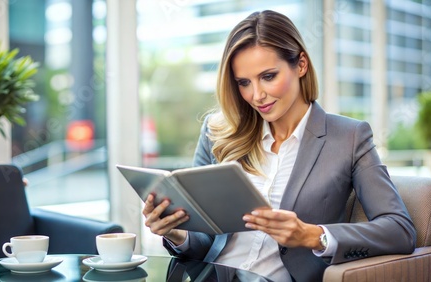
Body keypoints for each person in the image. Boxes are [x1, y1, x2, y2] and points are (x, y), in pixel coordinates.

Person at [142, 10, 416, 282]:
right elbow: (205, 240)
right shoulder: (217, 133)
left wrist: (311, 235)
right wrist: (175, 232)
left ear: (301, 65)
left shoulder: (349, 137)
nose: (257, 95)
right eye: (244, 83)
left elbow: (399, 230)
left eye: (269, 76)